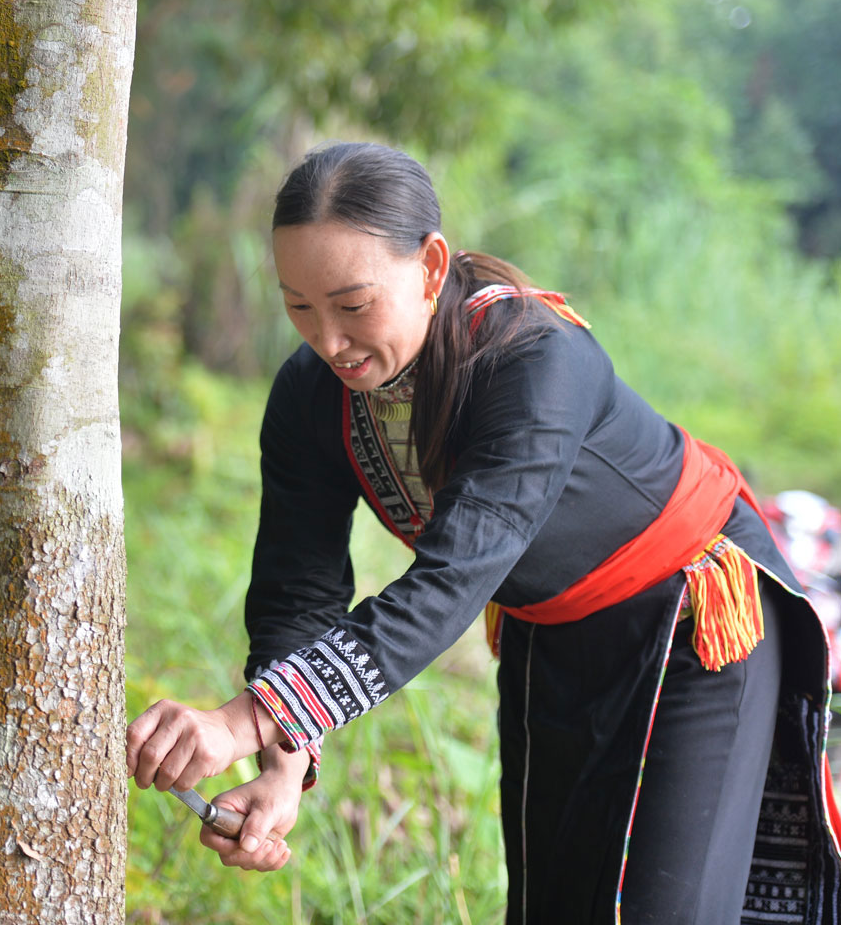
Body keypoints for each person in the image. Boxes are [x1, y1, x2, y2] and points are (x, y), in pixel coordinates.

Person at [125, 142, 841, 923]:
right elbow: (297, 591)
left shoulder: (535, 359)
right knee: (552, 906)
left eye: (353, 305)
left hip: (696, 617)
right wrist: (280, 762)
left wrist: (243, 717)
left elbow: (448, 584)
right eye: (299, 306)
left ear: (431, 267)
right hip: (550, 631)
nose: (328, 341)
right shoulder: (309, 396)